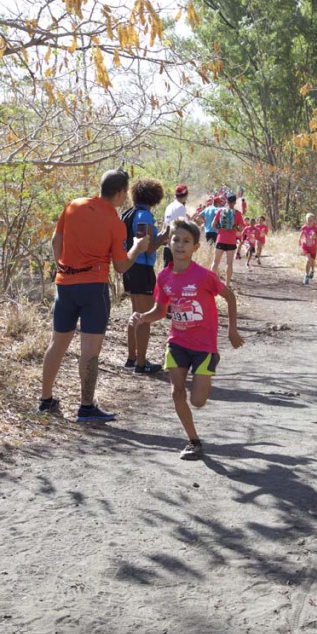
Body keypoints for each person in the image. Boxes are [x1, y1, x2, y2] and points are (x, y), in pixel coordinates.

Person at [39, 169, 151, 421]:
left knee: (57, 343)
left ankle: (45, 401)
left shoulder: (73, 205)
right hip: (94, 288)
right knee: (89, 350)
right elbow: (121, 266)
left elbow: (56, 241)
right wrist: (137, 247)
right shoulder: (114, 222)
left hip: (65, 285)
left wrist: (62, 267)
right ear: (120, 192)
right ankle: (86, 407)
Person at [130, 219, 244, 460]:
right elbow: (160, 310)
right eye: (176, 240)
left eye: (186, 241)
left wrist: (232, 330)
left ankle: (211, 362)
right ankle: (193, 441)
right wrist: (143, 317)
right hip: (177, 342)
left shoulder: (204, 276)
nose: (180, 245)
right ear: (168, 243)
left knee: (198, 401)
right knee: (177, 392)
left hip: (204, 346)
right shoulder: (164, 277)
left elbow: (230, 297)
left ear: (196, 247)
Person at [123, 178, 170, 374]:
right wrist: (164, 236)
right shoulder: (144, 216)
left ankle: (132, 358)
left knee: (135, 313)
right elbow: (148, 247)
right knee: (144, 317)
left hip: (129, 266)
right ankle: (141, 364)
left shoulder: (129, 213)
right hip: (142, 268)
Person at [210, 192, 245, 287]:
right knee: (229, 264)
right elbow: (241, 229)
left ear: (226, 201)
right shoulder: (238, 213)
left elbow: (213, 225)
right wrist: (234, 227)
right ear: (235, 202)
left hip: (220, 239)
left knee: (215, 262)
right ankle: (227, 285)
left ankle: (212, 284)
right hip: (231, 241)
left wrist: (221, 227)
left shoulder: (220, 211)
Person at [161, 184, 189, 266]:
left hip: (168, 245)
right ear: (186, 195)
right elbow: (182, 227)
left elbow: (165, 224)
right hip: (176, 247)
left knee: (167, 270)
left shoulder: (169, 206)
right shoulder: (181, 207)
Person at [299, 213, 317, 285]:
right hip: (305, 247)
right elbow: (302, 232)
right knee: (308, 260)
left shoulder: (316, 229)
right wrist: (299, 239)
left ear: (314, 221)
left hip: (313, 249)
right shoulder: (304, 227)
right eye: (308, 220)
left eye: (311, 220)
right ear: (306, 220)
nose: (309, 222)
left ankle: (312, 271)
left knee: (312, 261)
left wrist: (316, 237)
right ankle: (306, 276)